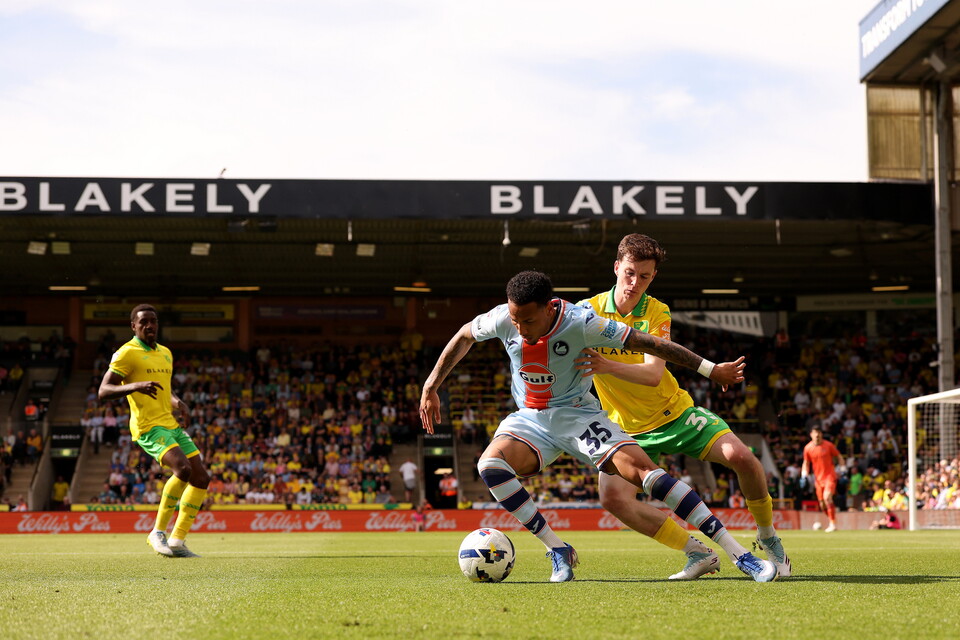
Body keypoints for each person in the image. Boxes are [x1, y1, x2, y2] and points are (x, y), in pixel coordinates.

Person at [419, 270, 778, 583]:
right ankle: (558, 550)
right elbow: (465, 335)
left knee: (645, 474)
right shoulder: (504, 318)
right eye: (514, 320)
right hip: (530, 419)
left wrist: (709, 369)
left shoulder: (581, 322)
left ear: (548, 308)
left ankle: (739, 554)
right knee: (490, 467)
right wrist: (431, 386)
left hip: (579, 416)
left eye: (527, 321)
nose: (519, 328)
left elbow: (651, 343)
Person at [575, 233, 792, 578]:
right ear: (617, 267)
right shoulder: (587, 311)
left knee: (743, 459)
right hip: (626, 430)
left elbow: (651, 374)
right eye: (630, 273)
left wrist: (604, 365)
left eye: (644, 276)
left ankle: (768, 537)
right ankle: (697, 552)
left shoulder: (657, 312)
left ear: (653, 277)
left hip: (674, 414)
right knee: (613, 499)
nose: (634, 283)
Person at [99, 304, 210, 558]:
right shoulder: (126, 353)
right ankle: (157, 532)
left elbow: (164, 391)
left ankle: (178, 540)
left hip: (170, 424)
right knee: (182, 469)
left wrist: (178, 402)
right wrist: (135, 385)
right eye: (144, 322)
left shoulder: (166, 353)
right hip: (148, 426)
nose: (150, 326)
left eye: (154, 321)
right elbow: (103, 391)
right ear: (133, 326)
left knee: (201, 478)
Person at [802, 426, 843, 532]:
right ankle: (831, 521)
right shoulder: (808, 448)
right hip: (818, 480)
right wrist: (804, 474)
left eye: (819, 432)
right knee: (822, 504)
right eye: (815, 433)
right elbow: (806, 462)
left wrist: (842, 468)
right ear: (811, 434)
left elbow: (839, 456)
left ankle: (833, 524)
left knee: (827, 497)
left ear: (821, 434)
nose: (817, 435)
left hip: (830, 476)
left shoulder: (829, 445)